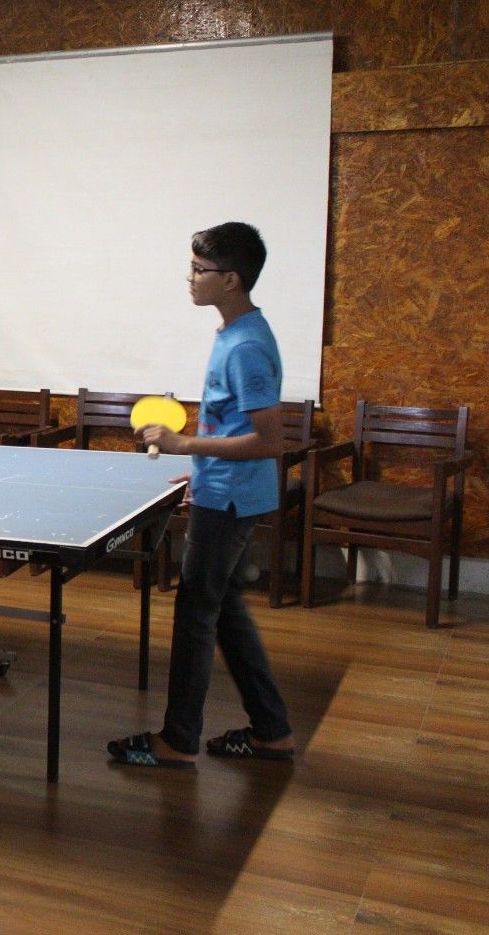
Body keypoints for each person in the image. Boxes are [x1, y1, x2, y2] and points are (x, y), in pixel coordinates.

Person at [108, 222, 295, 769]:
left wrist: (181, 442)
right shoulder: (237, 333)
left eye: (199, 269)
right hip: (224, 491)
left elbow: (269, 440)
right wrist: (200, 467)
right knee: (225, 609)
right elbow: (236, 426)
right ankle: (272, 730)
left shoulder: (245, 348)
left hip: (231, 501)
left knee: (195, 615)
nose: (189, 277)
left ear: (231, 279)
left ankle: (178, 741)